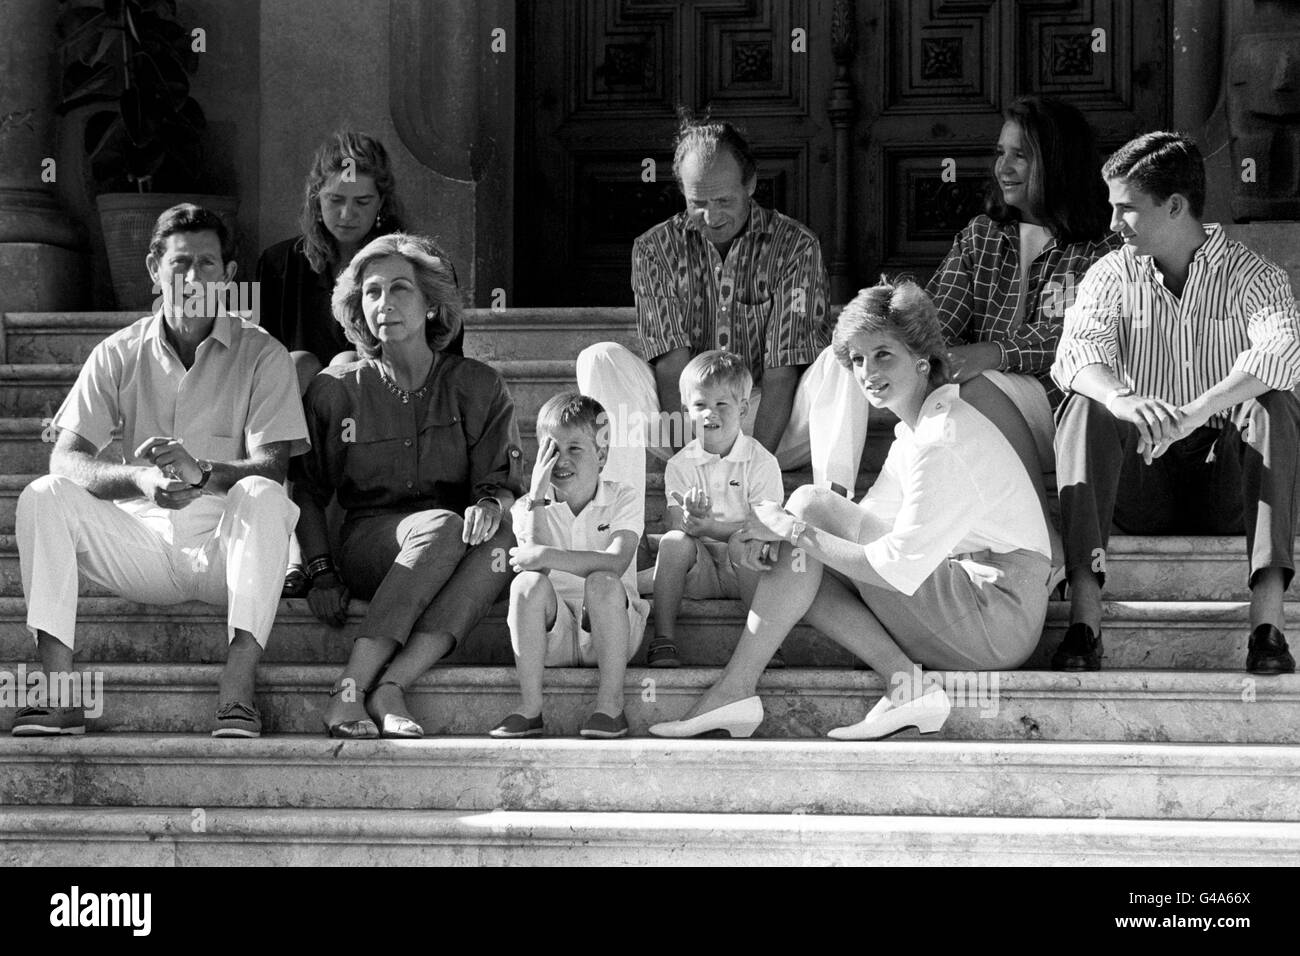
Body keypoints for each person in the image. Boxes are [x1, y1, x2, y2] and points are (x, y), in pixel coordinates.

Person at [649, 279, 1052, 740]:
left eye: (883, 354)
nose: (866, 371)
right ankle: (904, 685)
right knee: (804, 554)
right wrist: (763, 532)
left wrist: (793, 529)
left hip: (995, 618)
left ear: (922, 357)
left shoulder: (943, 438)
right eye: (856, 359)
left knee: (807, 509)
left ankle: (735, 687)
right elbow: (858, 527)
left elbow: (893, 566)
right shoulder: (916, 432)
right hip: (966, 602)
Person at [14, 203, 307, 737]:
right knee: (43, 492)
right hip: (141, 544)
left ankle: (239, 683)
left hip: (229, 551)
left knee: (265, 493)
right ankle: (58, 692)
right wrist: (139, 480)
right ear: (154, 268)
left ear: (230, 275)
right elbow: (66, 456)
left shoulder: (263, 354)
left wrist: (202, 474)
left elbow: (273, 464)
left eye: (208, 264)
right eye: (179, 264)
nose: (193, 277)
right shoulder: (117, 352)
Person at [1051, 131, 1300, 674]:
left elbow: (1284, 352)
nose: (1113, 224)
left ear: (1175, 206)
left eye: (1126, 209)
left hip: (1228, 483)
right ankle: (1084, 624)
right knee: (1083, 404)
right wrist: (1120, 397)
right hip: (1143, 480)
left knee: (1274, 405)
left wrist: (1193, 413)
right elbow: (1074, 354)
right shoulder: (1109, 274)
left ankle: (1268, 628)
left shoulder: (1255, 277)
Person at [576, 113, 867, 517]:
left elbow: (783, 376)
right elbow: (670, 369)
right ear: (681, 191)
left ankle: (831, 517)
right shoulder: (654, 249)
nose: (711, 217)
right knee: (599, 358)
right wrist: (693, 465)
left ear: (750, 184)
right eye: (698, 203)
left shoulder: (795, 246)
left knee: (846, 359)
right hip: (689, 422)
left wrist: (750, 468)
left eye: (724, 201)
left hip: (769, 421)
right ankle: (617, 526)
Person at [295, 233, 523, 739]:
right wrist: (321, 571)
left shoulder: (478, 385)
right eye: (372, 293)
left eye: (400, 289)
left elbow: (504, 485)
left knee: (507, 545)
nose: (384, 304)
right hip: (371, 545)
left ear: (432, 304)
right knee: (442, 524)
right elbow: (307, 489)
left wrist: (490, 502)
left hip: (458, 545)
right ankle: (346, 692)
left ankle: (391, 685)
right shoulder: (336, 390)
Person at [927, 96, 1119, 499]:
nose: (1004, 168)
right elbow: (935, 319)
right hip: (976, 402)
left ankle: (1038, 523)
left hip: (1057, 408)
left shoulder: (1101, 246)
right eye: (1001, 154)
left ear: (1056, 163)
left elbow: (1074, 336)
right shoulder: (982, 235)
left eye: (1021, 156)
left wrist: (994, 352)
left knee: (970, 390)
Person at [489, 393, 649, 740]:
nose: (561, 460)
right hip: (554, 634)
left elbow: (617, 561)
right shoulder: (526, 506)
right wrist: (536, 497)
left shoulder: (624, 497)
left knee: (603, 581)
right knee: (525, 585)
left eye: (574, 449)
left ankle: (611, 706)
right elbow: (537, 570)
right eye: (551, 450)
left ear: (601, 455)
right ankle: (530, 709)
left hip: (613, 629)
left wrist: (545, 555)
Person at [256, 130, 463, 397]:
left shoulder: (423, 263)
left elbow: (447, 348)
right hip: (297, 405)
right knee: (300, 363)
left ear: (382, 204)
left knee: (349, 363)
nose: (347, 214)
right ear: (316, 200)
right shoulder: (276, 264)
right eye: (336, 200)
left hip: (389, 401)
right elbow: (255, 351)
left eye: (362, 202)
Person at [645, 350, 784, 668]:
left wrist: (708, 526)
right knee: (672, 543)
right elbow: (675, 524)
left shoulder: (761, 461)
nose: (711, 413)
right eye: (700, 405)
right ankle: (663, 639)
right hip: (701, 572)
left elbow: (765, 529)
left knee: (743, 541)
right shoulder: (680, 465)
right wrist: (689, 518)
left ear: (744, 408)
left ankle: (762, 644)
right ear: (685, 412)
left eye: (722, 404)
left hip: (748, 572)